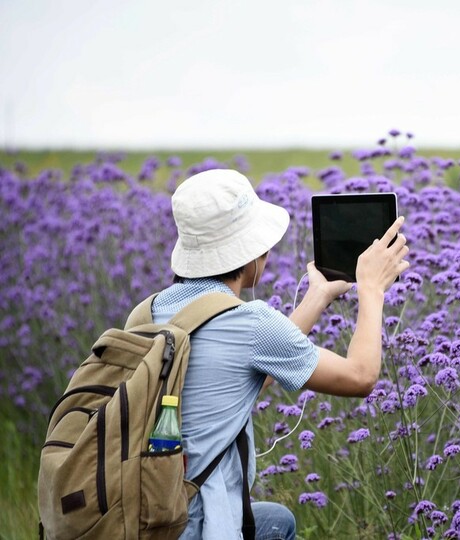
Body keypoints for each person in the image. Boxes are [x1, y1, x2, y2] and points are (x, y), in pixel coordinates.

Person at [153, 168, 409, 540]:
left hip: (145, 511)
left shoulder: (151, 311)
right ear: (250, 253)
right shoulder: (251, 322)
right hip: (197, 525)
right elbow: (361, 376)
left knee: (276, 520)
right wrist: (371, 288)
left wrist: (318, 295)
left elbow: (258, 372)